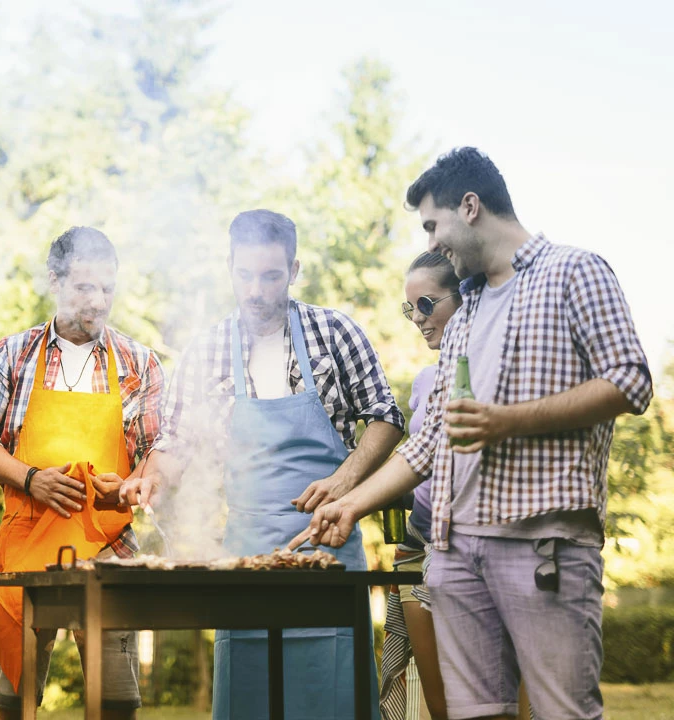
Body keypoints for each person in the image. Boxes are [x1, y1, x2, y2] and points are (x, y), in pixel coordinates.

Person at [298, 147, 652, 720]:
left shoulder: (575, 271)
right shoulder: (463, 315)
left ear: (470, 206)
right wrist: (352, 503)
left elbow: (632, 381)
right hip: (454, 554)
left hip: (544, 547)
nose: (432, 243)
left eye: (433, 226)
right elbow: (427, 442)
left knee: (562, 712)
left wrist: (505, 420)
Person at [124, 209, 405, 719]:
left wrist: (344, 481)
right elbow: (175, 445)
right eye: (245, 275)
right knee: (249, 699)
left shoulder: (336, 332)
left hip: (330, 550)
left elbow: (387, 417)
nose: (257, 290)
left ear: (294, 270)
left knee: (335, 697)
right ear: (229, 268)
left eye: (272, 275)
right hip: (246, 561)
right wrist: (150, 482)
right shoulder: (205, 350)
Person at [0, 226, 165, 719]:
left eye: (107, 289)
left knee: (116, 704)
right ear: (54, 282)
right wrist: (33, 479)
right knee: (14, 703)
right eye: (84, 287)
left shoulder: (138, 361)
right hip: (28, 543)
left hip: (108, 547)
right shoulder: (13, 354)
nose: (97, 301)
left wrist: (134, 483)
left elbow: (160, 448)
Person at [379, 251, 460, 720]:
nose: (417, 319)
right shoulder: (425, 380)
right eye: (409, 308)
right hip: (417, 549)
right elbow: (423, 467)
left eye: (426, 304)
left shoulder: (487, 367)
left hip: (468, 545)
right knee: (438, 702)